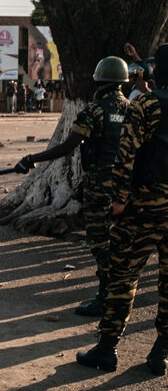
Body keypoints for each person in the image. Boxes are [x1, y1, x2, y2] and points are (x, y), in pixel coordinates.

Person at [77, 44, 168, 376]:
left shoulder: (145, 104)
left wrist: (118, 202)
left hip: (143, 209)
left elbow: (125, 157)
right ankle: (160, 352)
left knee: (122, 279)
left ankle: (107, 348)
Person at [16, 56, 130, 316]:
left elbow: (68, 147)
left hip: (100, 184)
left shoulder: (94, 111)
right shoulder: (133, 109)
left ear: (99, 82)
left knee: (100, 242)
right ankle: (121, 294)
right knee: (123, 242)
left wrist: (32, 159)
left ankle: (107, 298)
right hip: (127, 185)